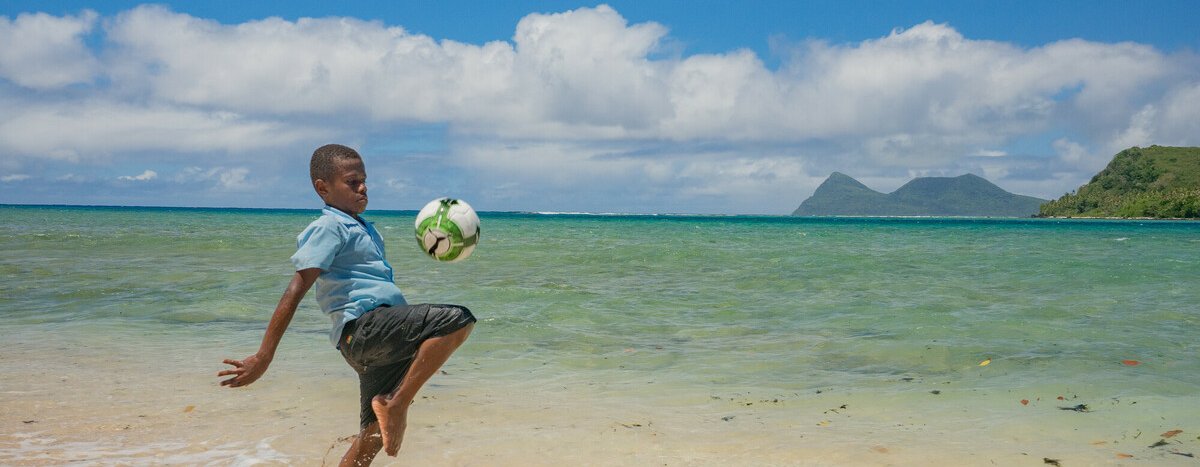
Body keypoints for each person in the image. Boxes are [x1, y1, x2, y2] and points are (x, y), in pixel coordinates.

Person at [218, 144, 476, 466]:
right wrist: (264, 355)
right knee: (457, 319)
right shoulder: (330, 226)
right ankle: (397, 404)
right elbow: (296, 288)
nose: (363, 187)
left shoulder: (364, 228)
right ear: (322, 188)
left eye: (364, 180)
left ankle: (392, 405)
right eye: (352, 182)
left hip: (366, 342)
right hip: (364, 329)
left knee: (371, 437)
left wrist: (423, 354)